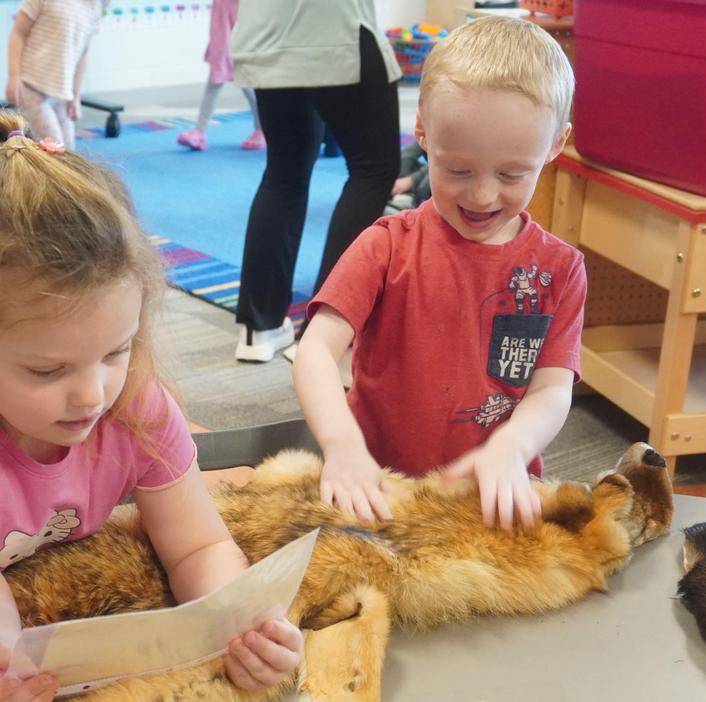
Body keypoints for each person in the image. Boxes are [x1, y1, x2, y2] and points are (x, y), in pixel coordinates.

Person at [0, 114, 303, 701]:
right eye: (48, 370)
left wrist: (241, 625)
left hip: (5, 557)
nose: (93, 395)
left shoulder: (136, 402)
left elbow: (198, 544)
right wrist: (0, 656)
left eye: (116, 350)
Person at [292, 16, 587, 531]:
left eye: (512, 174)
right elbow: (315, 350)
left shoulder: (560, 270)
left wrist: (511, 448)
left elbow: (551, 388)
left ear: (556, 144)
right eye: (457, 170)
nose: (482, 195)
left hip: (488, 500)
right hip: (381, 492)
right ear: (422, 132)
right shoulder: (386, 245)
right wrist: (341, 445)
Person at [229, 0, 402, 362]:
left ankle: (258, 328)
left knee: (284, 170)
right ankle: (325, 331)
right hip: (335, 29)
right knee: (374, 169)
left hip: (267, 32)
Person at [6, 0, 101, 151]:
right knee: (54, 150)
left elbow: (83, 53)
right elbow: (18, 33)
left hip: (61, 93)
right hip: (31, 88)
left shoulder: (93, 6)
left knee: (69, 151)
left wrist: (75, 96)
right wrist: (13, 76)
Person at [175, 0, 263, 152]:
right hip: (221, 49)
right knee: (214, 87)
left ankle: (260, 130)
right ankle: (199, 132)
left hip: (239, 50)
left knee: (250, 91)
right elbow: (219, 27)